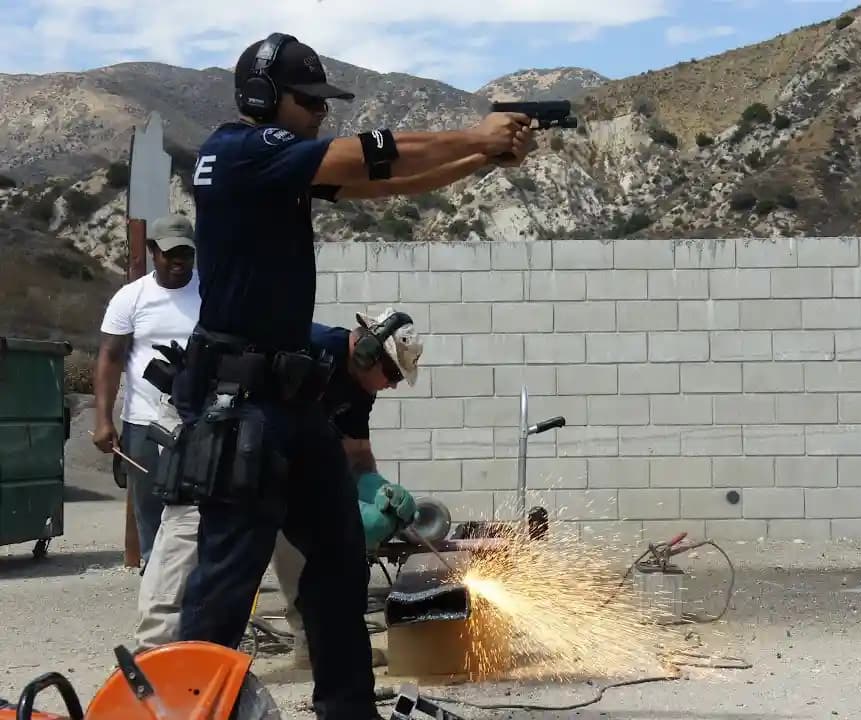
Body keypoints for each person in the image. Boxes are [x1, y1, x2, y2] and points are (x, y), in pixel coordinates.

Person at [163, 31, 536, 720]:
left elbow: (386, 181)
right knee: (224, 585)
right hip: (244, 406)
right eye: (308, 102)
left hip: (291, 405)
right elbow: (366, 154)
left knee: (337, 565)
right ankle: (184, 711)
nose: (319, 113)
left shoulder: (278, 167)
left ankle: (347, 710)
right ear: (263, 97)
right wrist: (474, 134)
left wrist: (481, 158)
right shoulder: (242, 150)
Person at [134, 309, 422, 659]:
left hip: (269, 438)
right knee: (191, 528)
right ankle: (154, 656)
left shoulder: (360, 389)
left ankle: (317, 645)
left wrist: (374, 491)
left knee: (304, 538)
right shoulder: (306, 344)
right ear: (367, 352)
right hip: (209, 417)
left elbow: (357, 454)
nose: (393, 384)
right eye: (392, 373)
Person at [93, 213, 200, 566]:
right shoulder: (132, 297)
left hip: (200, 422)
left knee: (199, 509)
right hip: (144, 423)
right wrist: (103, 420)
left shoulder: (210, 293)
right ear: (153, 251)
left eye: (186, 252)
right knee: (151, 509)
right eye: (170, 253)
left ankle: (196, 587)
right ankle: (155, 581)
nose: (179, 260)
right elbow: (110, 358)